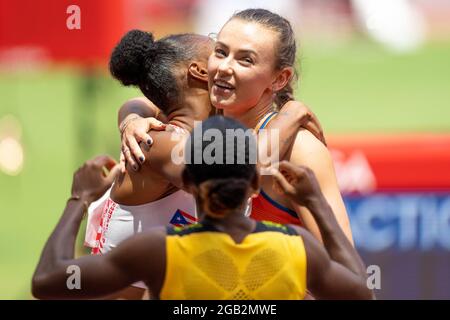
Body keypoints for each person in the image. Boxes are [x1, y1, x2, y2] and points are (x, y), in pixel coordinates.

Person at [85, 30, 324, 299]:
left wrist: (130, 117)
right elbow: (244, 170)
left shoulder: (171, 128)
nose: (227, 65)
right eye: (218, 53)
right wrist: (292, 113)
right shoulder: (158, 143)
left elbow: (137, 102)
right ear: (200, 71)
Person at [32, 116, 373, 300]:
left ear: (188, 182)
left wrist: (79, 199)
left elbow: (47, 281)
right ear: (255, 183)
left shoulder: (159, 251)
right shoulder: (295, 248)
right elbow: (361, 294)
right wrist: (315, 204)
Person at [120, 9, 353, 244]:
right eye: (220, 52)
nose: (224, 67)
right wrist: (131, 119)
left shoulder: (299, 149)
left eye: (246, 60)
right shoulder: (204, 120)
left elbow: (344, 264)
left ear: (279, 79)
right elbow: (141, 103)